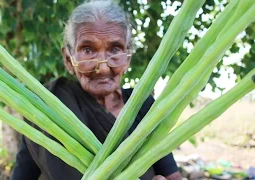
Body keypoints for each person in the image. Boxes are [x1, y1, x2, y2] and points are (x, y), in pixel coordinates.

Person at [11, 1, 182, 179]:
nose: (103, 68)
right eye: (87, 50)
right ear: (69, 59)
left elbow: (171, 175)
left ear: (127, 58)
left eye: (115, 49)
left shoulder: (143, 106)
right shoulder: (46, 108)